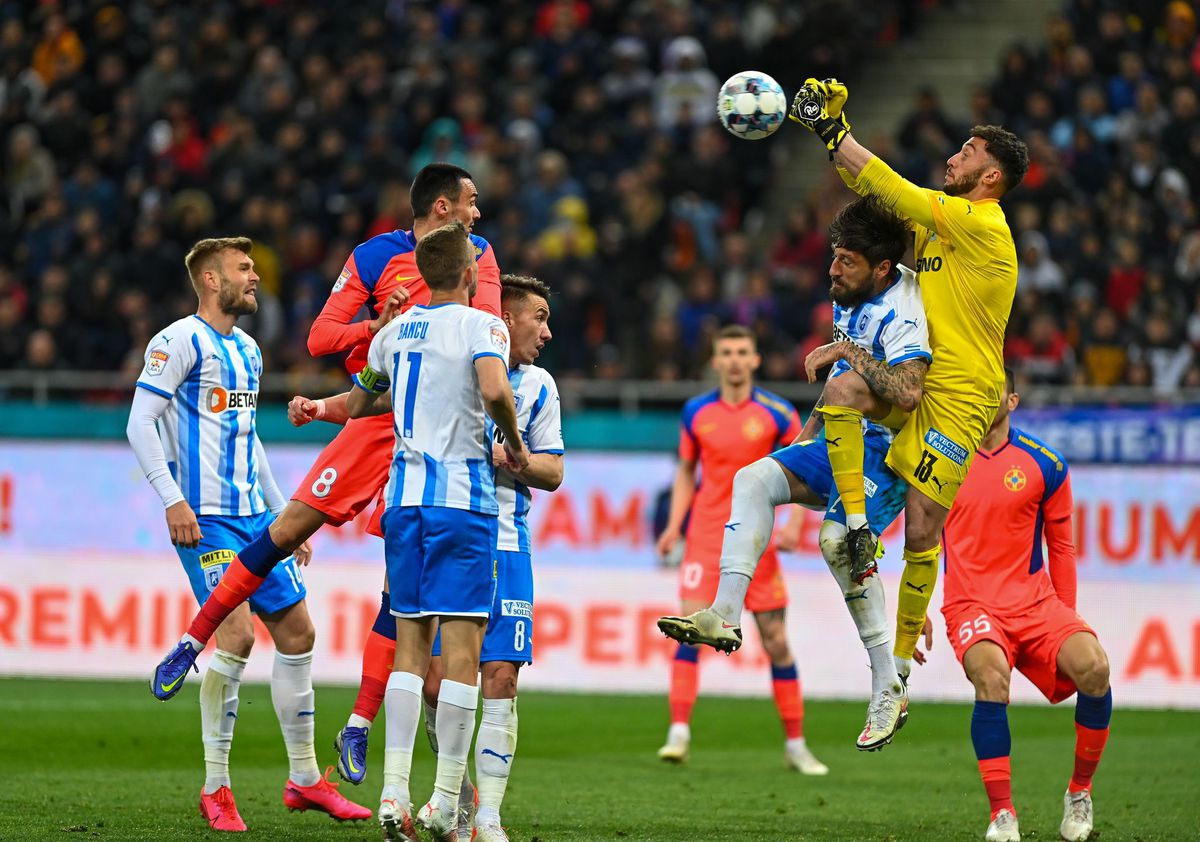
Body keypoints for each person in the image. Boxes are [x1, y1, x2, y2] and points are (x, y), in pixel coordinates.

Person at [149, 163, 501, 699]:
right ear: (442, 206)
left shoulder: (481, 255)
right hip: (378, 415)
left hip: (441, 433)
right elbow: (320, 338)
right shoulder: (376, 256)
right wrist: (375, 327)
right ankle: (194, 640)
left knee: (410, 602)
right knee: (288, 528)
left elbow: (487, 338)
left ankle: (368, 730)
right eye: (471, 201)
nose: (479, 213)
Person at [289, 274, 562, 842]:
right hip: (451, 520)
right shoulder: (448, 357)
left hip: (505, 540)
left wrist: (512, 457)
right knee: (435, 678)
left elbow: (553, 472)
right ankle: (450, 803)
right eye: (538, 316)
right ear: (505, 318)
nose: (547, 330)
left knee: (502, 677)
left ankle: (486, 817)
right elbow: (372, 401)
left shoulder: (539, 385)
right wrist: (318, 407)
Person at [660, 197, 929, 751]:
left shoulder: (905, 310)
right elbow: (840, 394)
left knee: (836, 542)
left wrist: (846, 352)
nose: (832, 270)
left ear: (880, 269)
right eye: (833, 257)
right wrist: (801, 449)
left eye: (846, 261)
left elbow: (907, 392)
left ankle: (888, 684)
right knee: (753, 479)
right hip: (842, 439)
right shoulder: (853, 295)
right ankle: (724, 614)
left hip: (892, 451)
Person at [788, 78, 1030, 679]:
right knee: (844, 387)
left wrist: (833, 132)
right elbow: (880, 201)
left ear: (991, 177)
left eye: (968, 154)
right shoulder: (940, 229)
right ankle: (858, 526)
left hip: (963, 398)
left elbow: (898, 188)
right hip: (913, 376)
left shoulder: (983, 226)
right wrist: (834, 148)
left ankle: (896, 672)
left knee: (924, 526)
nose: (954, 158)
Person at [127, 237, 368, 830]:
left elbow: (247, 438)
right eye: (243, 269)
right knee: (235, 633)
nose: (255, 277)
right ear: (210, 280)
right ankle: (216, 788)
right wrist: (173, 499)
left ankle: (306, 780)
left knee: (298, 630)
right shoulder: (179, 340)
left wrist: (288, 514)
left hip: (256, 518)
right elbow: (139, 422)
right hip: (204, 519)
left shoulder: (251, 351)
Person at [345, 220, 529, 840]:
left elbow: (363, 400)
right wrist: (512, 436)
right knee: (462, 652)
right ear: (470, 274)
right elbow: (494, 387)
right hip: (463, 503)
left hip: (404, 503)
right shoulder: (484, 326)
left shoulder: (394, 333)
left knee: (409, 648)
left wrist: (321, 407)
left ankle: (393, 793)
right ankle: (447, 798)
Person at [933, 369, 1111, 842]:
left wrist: (1068, 615)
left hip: (1035, 603)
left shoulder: (1045, 463)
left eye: (989, 389)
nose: (978, 396)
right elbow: (918, 539)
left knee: (1094, 668)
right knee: (991, 677)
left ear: (1011, 400)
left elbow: (1063, 548)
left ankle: (1079, 792)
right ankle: (1002, 814)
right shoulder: (942, 457)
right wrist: (912, 617)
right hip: (970, 603)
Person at [653, 324, 827, 775]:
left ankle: (796, 744)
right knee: (689, 629)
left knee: (776, 642)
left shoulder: (778, 413)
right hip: (706, 540)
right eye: (726, 351)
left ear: (754, 360)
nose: (733, 359)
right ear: (715, 361)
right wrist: (674, 527)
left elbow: (806, 469)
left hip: (756, 541)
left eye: (741, 351)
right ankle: (678, 733)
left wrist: (792, 523)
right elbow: (686, 473)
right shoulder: (696, 412)